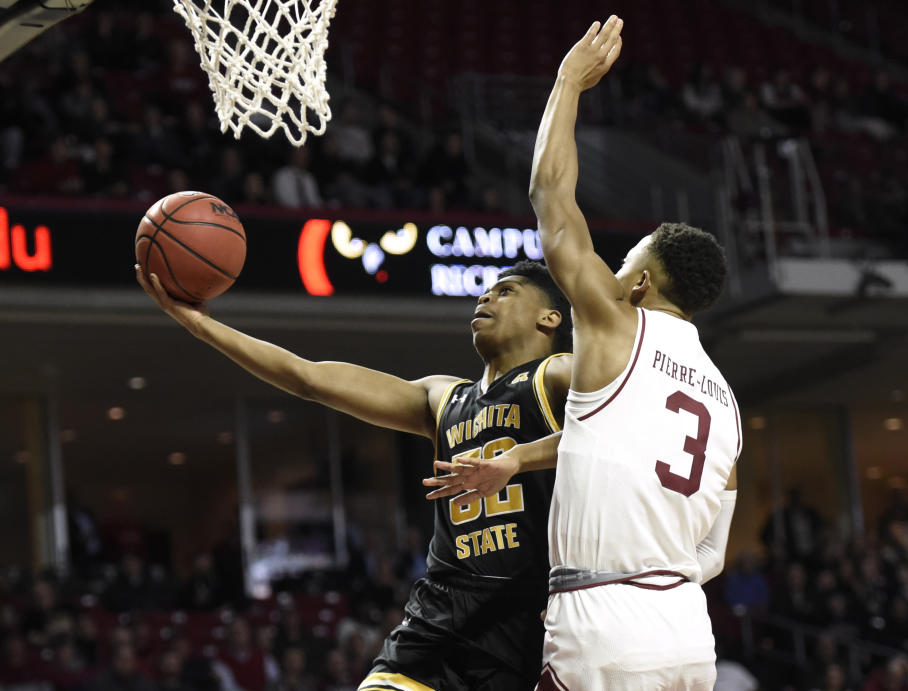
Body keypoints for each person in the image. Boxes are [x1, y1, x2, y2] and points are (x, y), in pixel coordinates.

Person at [136, 258, 572, 691]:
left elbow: (631, 422)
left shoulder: (558, 373)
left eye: (507, 291)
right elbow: (307, 377)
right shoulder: (443, 397)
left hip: (528, 612)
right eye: (487, 290)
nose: (487, 295)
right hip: (442, 612)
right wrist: (202, 327)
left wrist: (517, 458)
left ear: (549, 317)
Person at [529, 17, 738, 689]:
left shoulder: (616, 319)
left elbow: (550, 198)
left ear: (642, 282)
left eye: (622, 263)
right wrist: (665, 573)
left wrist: (567, 82)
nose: (611, 274)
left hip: (601, 621)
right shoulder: (727, 403)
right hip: (685, 630)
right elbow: (714, 550)